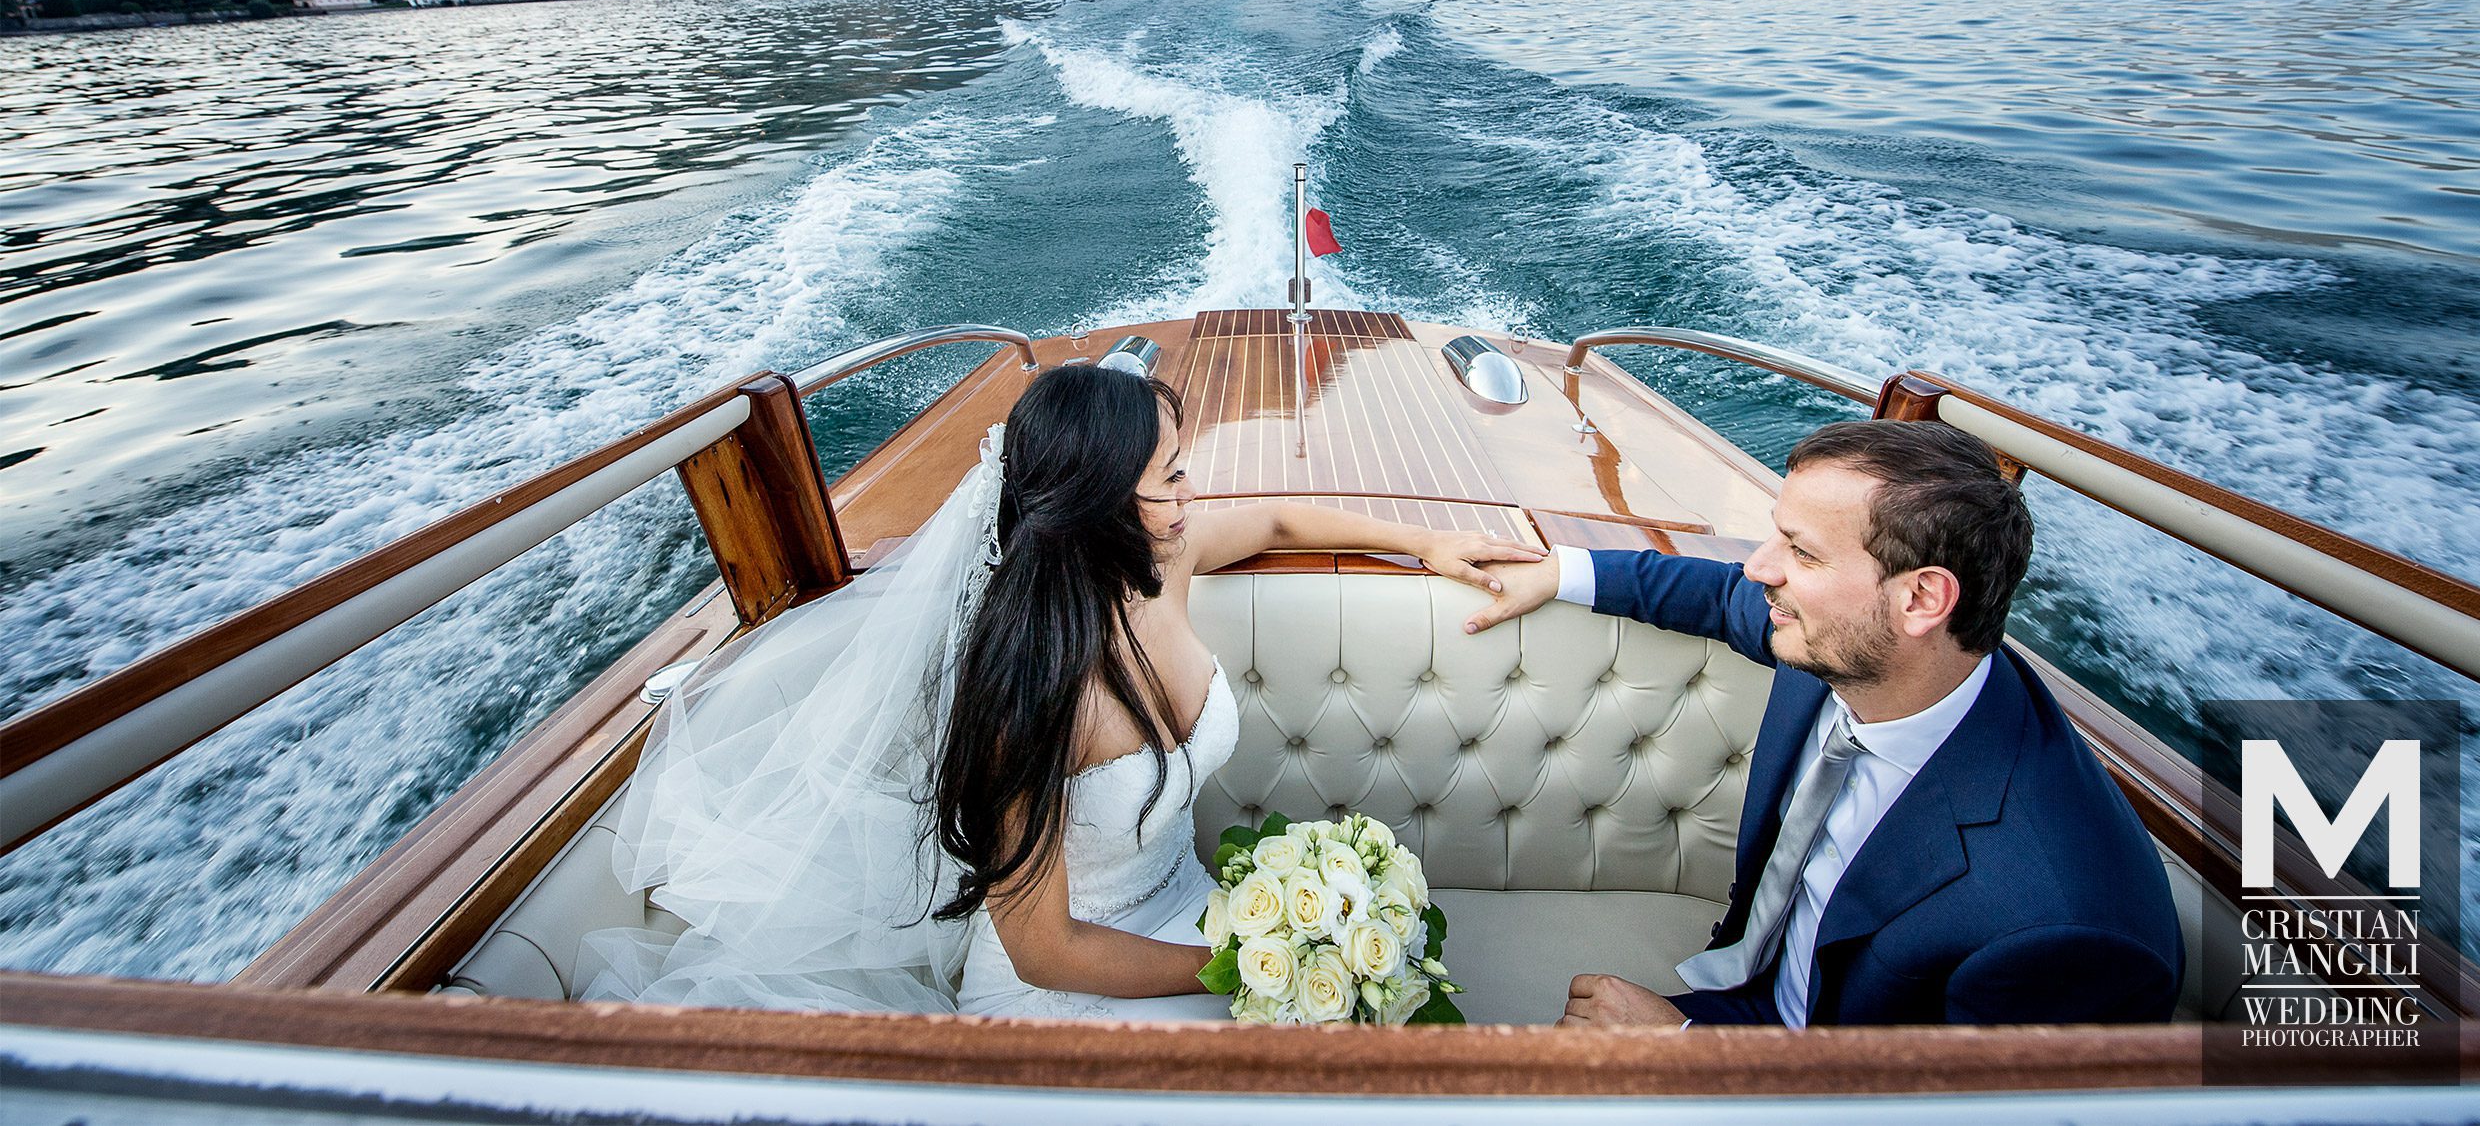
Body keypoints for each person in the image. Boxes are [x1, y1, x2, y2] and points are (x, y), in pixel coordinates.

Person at [581, 362, 1538, 1017]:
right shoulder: (1029, 694)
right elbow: (1046, 949)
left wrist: (1422, 543)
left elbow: (1280, 515)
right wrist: (1244, 967)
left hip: (1197, 910)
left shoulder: (1167, 556)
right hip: (1077, 976)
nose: (1192, 493)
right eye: (1172, 476)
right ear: (1100, 502)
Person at [1433, 418, 2183, 1027]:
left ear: (1922, 599)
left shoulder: (2060, 926)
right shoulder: (1860, 645)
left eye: (1800, 551)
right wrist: (1559, 572)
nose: (1760, 568)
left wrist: (1690, 1054)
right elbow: (1721, 596)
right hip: (1740, 987)